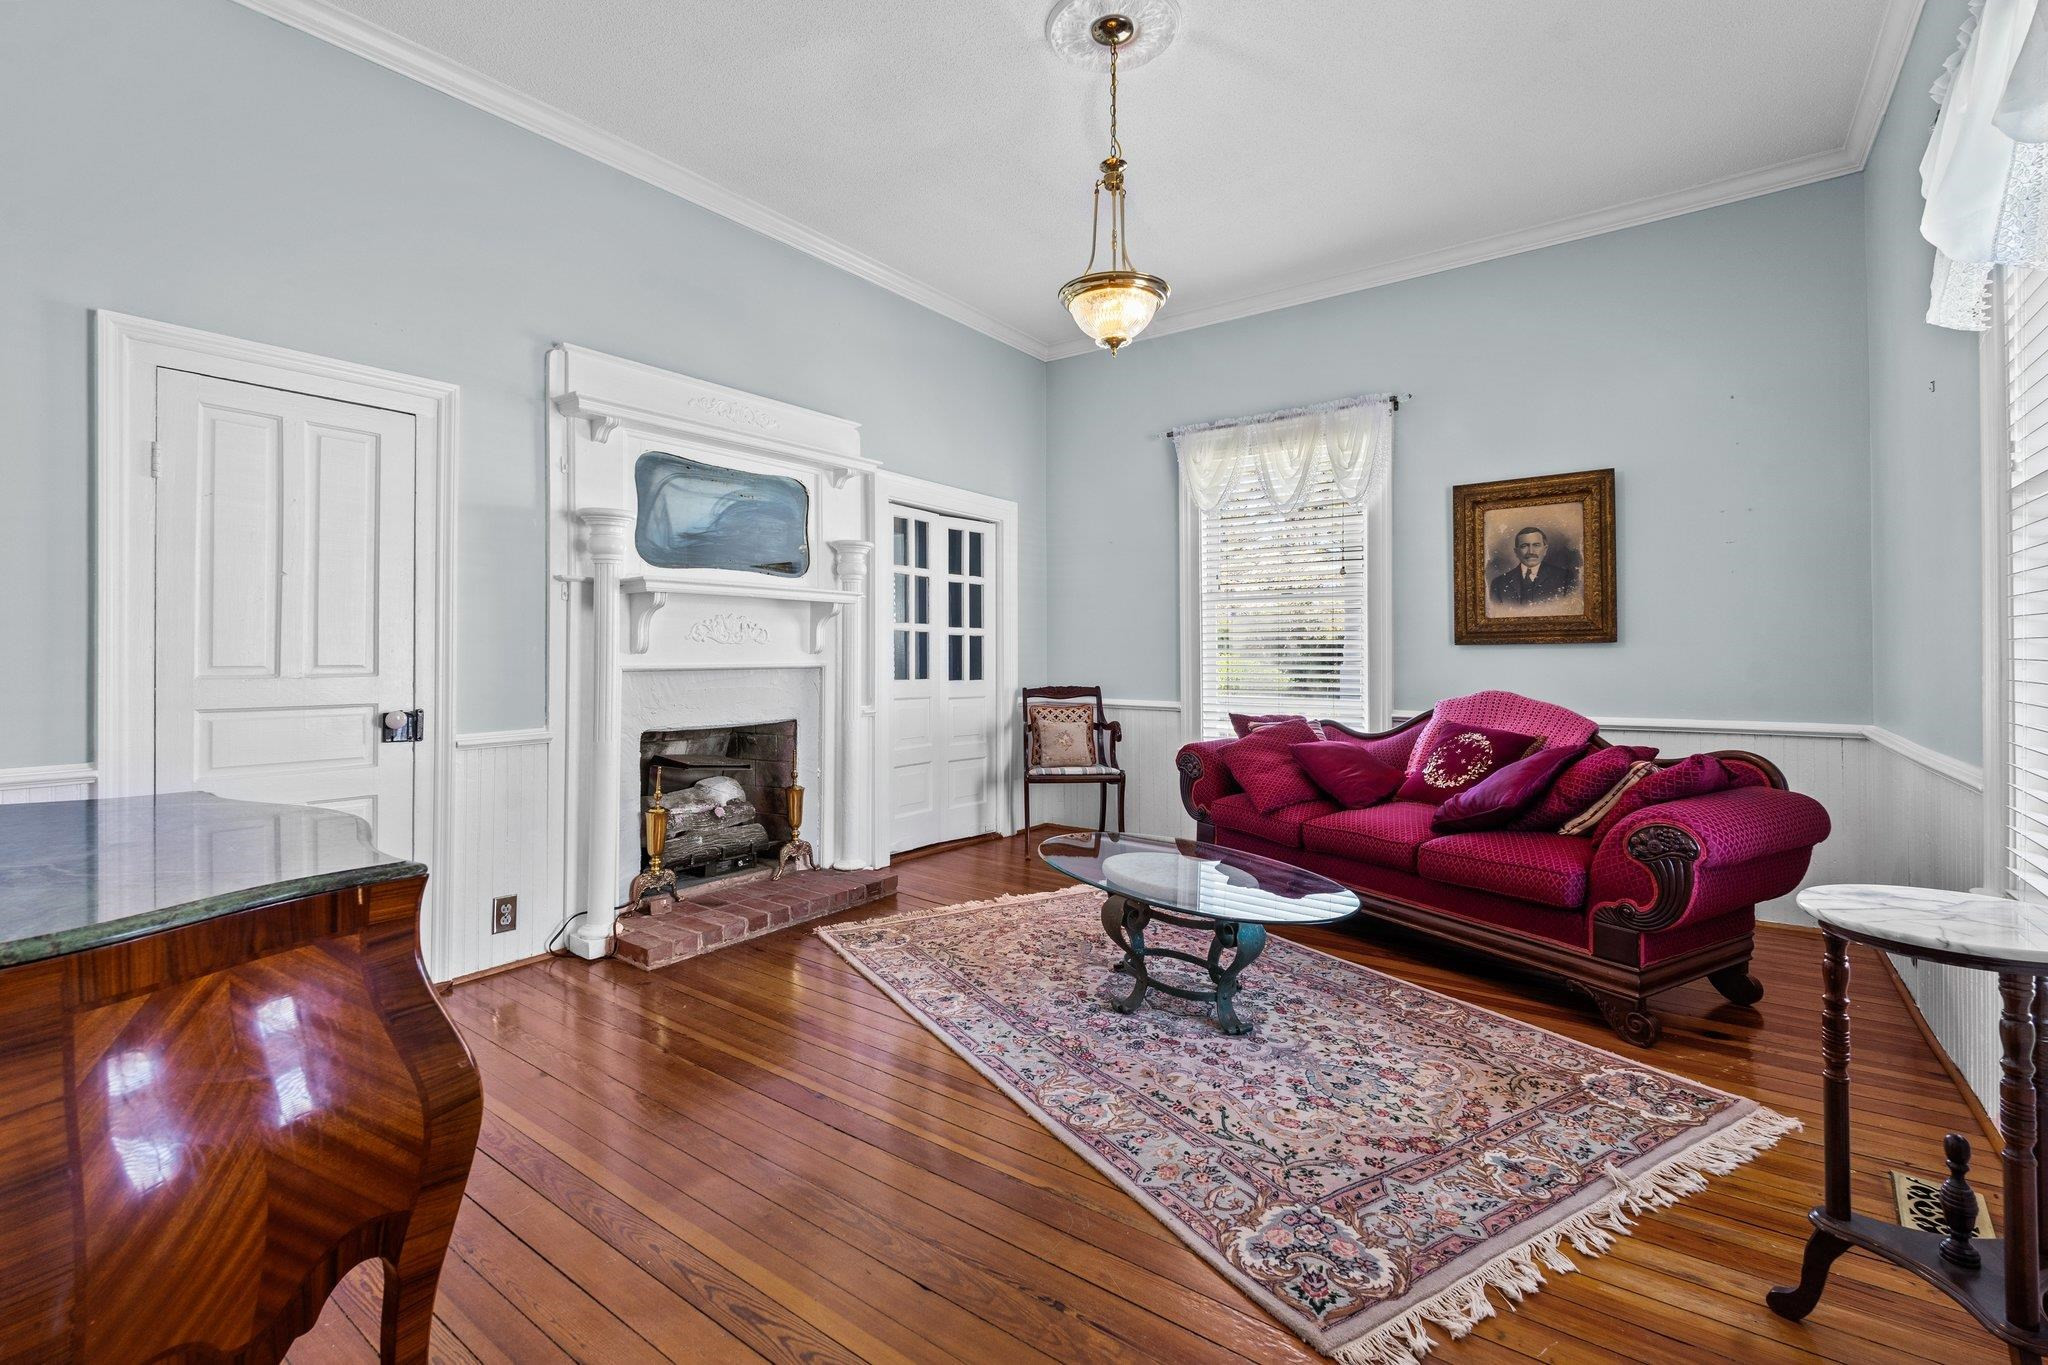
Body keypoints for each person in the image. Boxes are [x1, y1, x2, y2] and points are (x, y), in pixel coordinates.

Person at [1488, 526, 1577, 608]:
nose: (1531, 551)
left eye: (1536, 545)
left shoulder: (1565, 578)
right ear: (1516, 552)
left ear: (1545, 549)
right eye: (1524, 546)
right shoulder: (1498, 584)